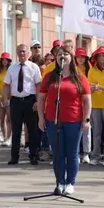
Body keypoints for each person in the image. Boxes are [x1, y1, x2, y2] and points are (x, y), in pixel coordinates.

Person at [38, 45, 91, 195]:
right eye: (59, 54)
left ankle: (70, 182)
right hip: (53, 120)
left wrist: (86, 119)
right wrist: (41, 117)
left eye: (66, 54)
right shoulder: (50, 77)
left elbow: (87, 100)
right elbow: (41, 98)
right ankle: (60, 182)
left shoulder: (80, 78)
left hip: (74, 120)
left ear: (71, 57)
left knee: (72, 152)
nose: (62, 56)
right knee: (58, 153)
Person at [3, 44, 42, 165]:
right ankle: (14, 156)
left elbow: (38, 85)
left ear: (28, 53)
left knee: (33, 129)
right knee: (16, 130)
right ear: (16, 53)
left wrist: (38, 101)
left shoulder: (34, 67)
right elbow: (6, 84)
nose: (22, 54)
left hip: (30, 100)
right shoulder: (12, 68)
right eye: (19, 52)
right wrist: (5, 98)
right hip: (16, 101)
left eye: (24, 51)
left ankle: (33, 155)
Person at [75, 47, 91, 163]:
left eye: (82, 57)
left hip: (88, 101)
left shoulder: (90, 69)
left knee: (87, 127)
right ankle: (76, 152)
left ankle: (86, 153)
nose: (80, 59)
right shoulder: (73, 69)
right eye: (78, 57)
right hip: (76, 102)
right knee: (76, 128)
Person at [0, 52, 12, 147]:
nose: (5, 61)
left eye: (6, 60)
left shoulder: (11, 70)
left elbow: (12, 85)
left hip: (9, 98)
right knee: (1, 119)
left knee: (9, 119)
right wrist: (0, 96)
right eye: (3, 60)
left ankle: (9, 138)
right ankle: (5, 137)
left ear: (9, 61)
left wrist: (7, 97)